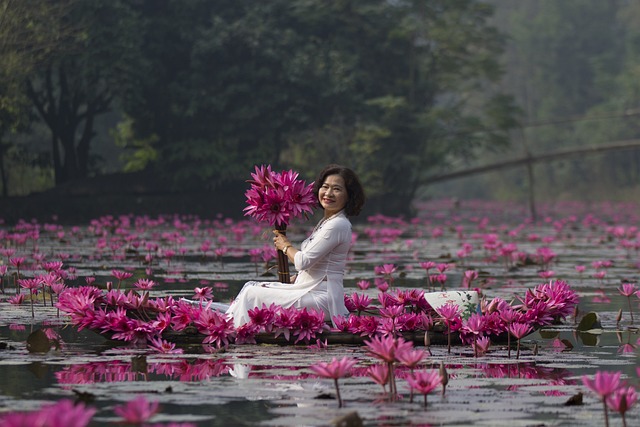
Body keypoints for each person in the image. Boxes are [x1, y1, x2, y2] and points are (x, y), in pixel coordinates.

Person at [224, 164, 366, 328]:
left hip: (322, 299)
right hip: (310, 289)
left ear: (349, 196)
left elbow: (303, 262)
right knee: (254, 286)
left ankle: (237, 329)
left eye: (337, 189)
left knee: (251, 293)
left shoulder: (337, 224)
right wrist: (297, 279)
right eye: (325, 187)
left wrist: (285, 245)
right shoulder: (328, 222)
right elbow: (319, 268)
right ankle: (236, 324)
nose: (328, 193)